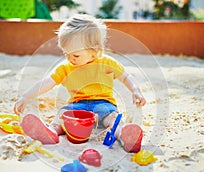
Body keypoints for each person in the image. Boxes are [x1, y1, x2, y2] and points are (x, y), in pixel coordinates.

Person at [14, 14, 146, 153]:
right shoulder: (65, 68)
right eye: (66, 53)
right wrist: (26, 96)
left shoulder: (107, 63)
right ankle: (51, 132)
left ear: (94, 52)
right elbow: (47, 82)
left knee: (113, 119)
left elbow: (126, 77)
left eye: (76, 55)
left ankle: (125, 136)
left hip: (104, 104)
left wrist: (135, 90)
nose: (70, 58)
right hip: (77, 106)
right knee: (63, 114)